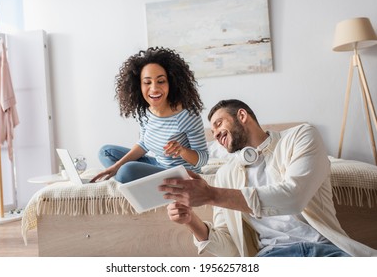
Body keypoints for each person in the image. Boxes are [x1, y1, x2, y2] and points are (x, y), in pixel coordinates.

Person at [159, 99, 377, 257]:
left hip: (326, 251)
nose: (215, 134)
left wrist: (211, 194)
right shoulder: (225, 175)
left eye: (218, 124)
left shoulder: (301, 136)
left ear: (242, 116)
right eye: (212, 130)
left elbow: (294, 197)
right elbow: (231, 248)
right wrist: (191, 222)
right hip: (271, 257)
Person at [91, 47, 208, 183]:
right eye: (147, 82)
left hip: (180, 173)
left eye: (161, 81)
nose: (154, 88)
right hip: (157, 165)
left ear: (171, 82)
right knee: (105, 152)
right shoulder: (146, 112)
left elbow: (202, 160)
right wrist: (116, 166)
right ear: (138, 86)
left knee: (127, 170)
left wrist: (182, 150)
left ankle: (126, 177)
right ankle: (123, 176)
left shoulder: (187, 115)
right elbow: (144, 144)